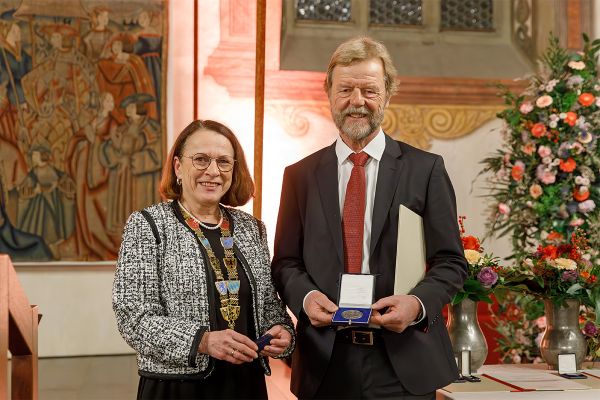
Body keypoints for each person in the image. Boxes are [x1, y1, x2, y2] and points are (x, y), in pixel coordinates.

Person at [272, 37, 467, 399]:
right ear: (328, 92)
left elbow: (451, 262)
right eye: (345, 89)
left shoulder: (425, 170)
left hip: (403, 359)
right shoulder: (299, 175)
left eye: (369, 90)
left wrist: (416, 304)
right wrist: (307, 297)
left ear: (388, 93)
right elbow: (285, 262)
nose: (357, 102)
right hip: (325, 361)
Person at [113, 119, 295, 400]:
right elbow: (133, 317)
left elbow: (270, 305)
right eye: (200, 159)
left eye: (224, 162)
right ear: (178, 167)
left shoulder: (252, 228)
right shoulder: (147, 225)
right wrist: (203, 341)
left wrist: (282, 331)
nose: (213, 171)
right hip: (178, 388)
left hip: (245, 384)